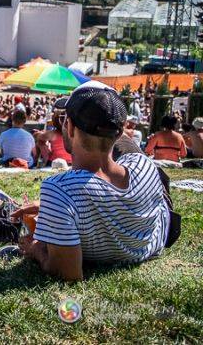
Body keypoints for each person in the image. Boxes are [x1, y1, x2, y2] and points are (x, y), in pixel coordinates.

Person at [14, 82, 171, 281]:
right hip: (158, 224)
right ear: (121, 131)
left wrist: (35, 248)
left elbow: (67, 272)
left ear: (69, 127)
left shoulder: (58, 190)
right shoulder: (143, 165)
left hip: (95, 195)